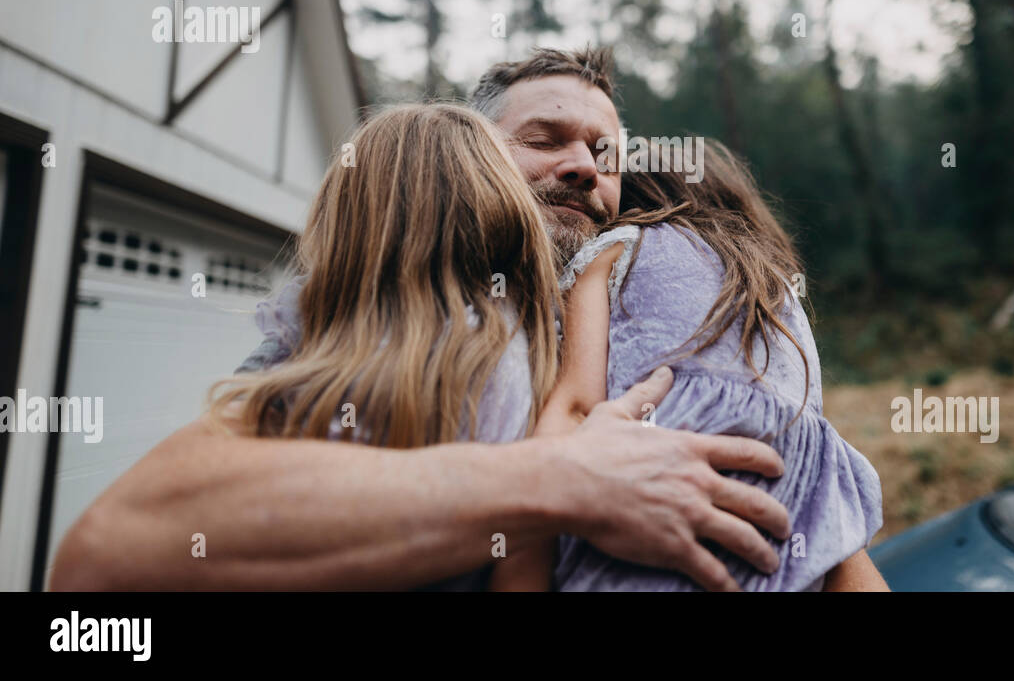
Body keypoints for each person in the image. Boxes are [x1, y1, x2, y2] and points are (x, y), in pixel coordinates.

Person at [48, 48, 790, 592]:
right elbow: (112, 546)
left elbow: (791, 504)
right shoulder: (388, 314)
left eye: (605, 155)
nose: (584, 167)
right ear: (472, 153)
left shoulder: (649, 312)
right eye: (544, 138)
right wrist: (560, 475)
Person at [493, 139, 887, 591]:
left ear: (633, 199)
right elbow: (813, 433)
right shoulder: (776, 287)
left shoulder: (615, 248)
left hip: (649, 521)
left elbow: (576, 406)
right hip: (785, 532)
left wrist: (518, 569)